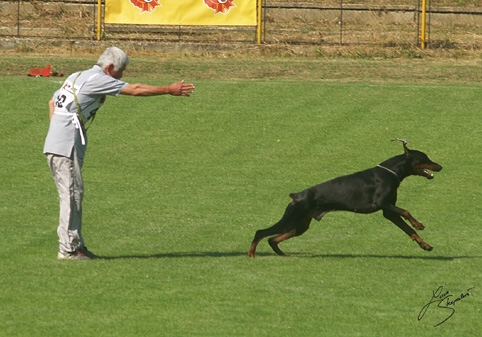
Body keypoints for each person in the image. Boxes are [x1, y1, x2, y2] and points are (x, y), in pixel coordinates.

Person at [44, 46, 195, 260]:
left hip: (58, 142)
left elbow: (53, 103)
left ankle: (75, 245)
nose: (122, 76)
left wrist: (57, 131)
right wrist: (169, 89)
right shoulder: (98, 78)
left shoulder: (77, 75)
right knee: (71, 195)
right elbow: (135, 89)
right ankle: (68, 249)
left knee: (73, 193)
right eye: (120, 71)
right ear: (109, 68)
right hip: (66, 144)